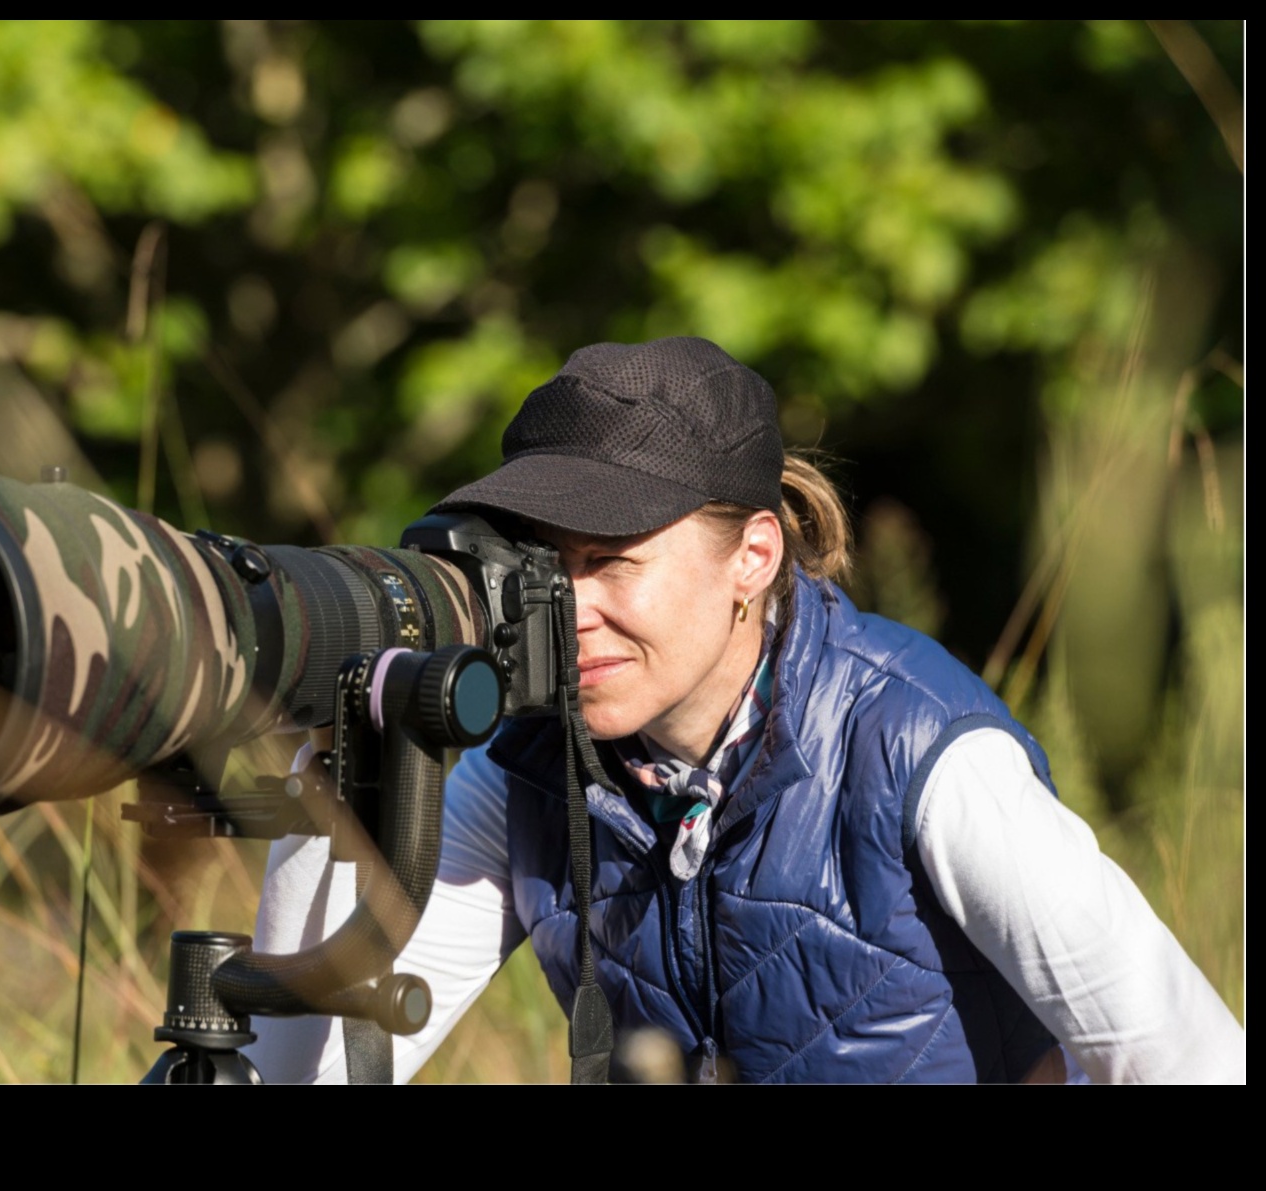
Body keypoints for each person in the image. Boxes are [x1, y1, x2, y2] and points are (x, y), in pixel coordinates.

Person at [244, 336, 1245, 1083]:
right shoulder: (525, 768)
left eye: (609, 564)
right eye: (542, 568)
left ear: (752, 557)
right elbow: (314, 1070)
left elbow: (1180, 1054)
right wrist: (339, 774)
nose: (569, 610)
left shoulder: (919, 751)